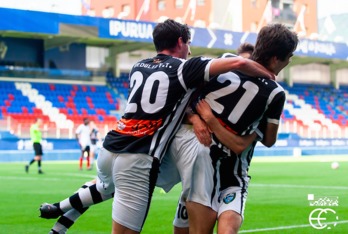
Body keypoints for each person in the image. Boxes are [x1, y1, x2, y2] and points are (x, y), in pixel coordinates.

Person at [39, 19, 274, 234]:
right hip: (138, 155)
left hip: (110, 147)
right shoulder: (184, 68)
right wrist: (269, 76)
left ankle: (58, 223)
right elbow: (239, 62)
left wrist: (192, 118)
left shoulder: (138, 66)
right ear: (180, 42)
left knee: (104, 187)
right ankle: (59, 210)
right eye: (188, 43)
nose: (190, 50)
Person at [170, 23, 298, 234]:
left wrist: (203, 118)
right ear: (276, 59)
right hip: (224, 174)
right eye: (289, 56)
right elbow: (269, 140)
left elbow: (187, 98)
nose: (289, 60)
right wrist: (205, 120)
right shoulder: (276, 93)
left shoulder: (228, 60)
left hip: (204, 171)